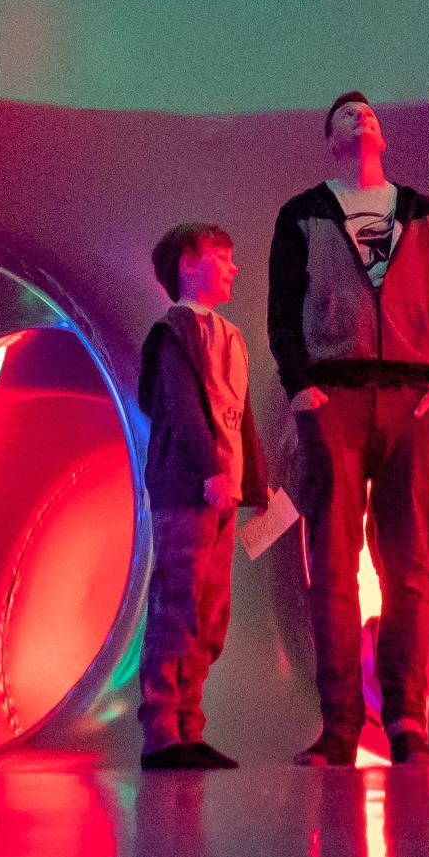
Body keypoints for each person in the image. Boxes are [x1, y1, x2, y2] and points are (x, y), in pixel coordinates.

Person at [269, 90, 429, 765]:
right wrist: (302, 389)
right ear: (332, 141)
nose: (362, 118)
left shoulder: (423, 213)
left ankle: (408, 723)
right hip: (336, 398)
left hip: (413, 400)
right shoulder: (302, 213)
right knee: (330, 564)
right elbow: (281, 310)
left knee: (410, 564)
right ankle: (340, 726)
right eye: (347, 116)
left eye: (370, 114)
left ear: (382, 136)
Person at [135, 222, 272, 771]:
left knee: (209, 613)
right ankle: (162, 730)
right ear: (189, 266)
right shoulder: (175, 332)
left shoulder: (231, 336)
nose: (234, 267)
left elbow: (240, 413)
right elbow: (182, 405)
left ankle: (188, 726)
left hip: (223, 492)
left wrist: (255, 482)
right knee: (177, 604)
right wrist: (210, 469)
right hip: (188, 490)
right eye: (221, 256)